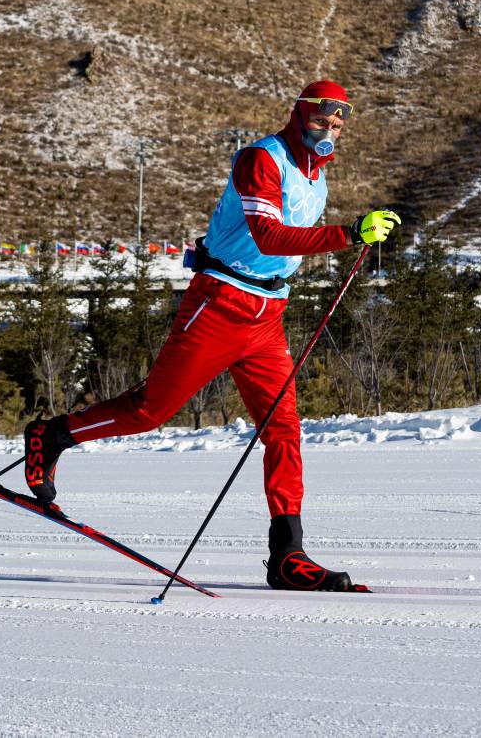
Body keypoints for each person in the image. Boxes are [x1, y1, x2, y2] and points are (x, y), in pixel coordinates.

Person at [22, 80, 400, 591]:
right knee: (150, 411)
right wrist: (350, 233)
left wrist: (347, 237)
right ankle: (55, 434)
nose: (330, 128)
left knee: (284, 429)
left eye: (338, 122)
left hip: (268, 315)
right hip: (220, 303)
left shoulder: (318, 179)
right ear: (299, 114)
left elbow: (285, 246)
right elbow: (268, 237)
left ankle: (288, 556)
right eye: (321, 118)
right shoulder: (261, 159)